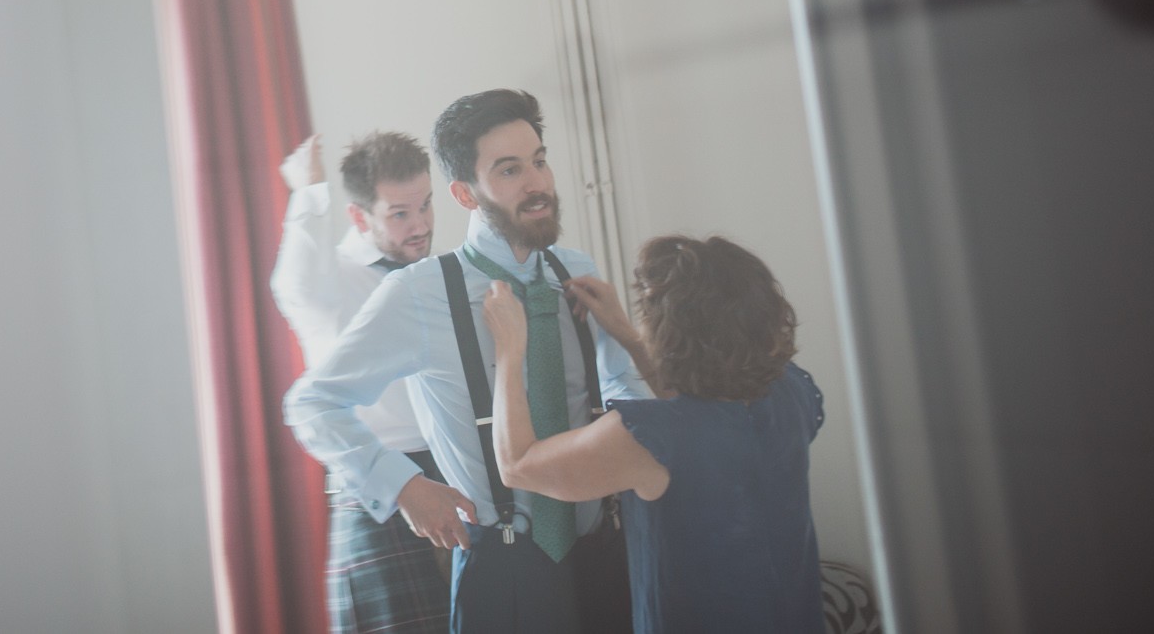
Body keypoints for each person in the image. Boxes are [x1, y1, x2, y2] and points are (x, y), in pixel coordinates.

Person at [285, 89, 646, 634]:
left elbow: (624, 389)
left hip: (604, 558)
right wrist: (403, 485)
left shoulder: (577, 271)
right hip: (501, 573)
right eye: (509, 170)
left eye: (539, 161)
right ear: (464, 194)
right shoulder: (419, 293)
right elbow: (313, 402)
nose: (537, 183)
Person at [482, 236, 827, 634]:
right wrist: (629, 338)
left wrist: (509, 350)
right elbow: (707, 404)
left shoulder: (650, 438)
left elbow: (518, 465)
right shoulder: (793, 392)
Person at [269, 131, 449, 634]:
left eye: (425, 205)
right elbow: (293, 282)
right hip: (380, 490)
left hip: (454, 476)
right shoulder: (329, 283)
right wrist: (309, 191)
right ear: (359, 216)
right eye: (399, 213)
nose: (421, 225)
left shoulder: (438, 273)